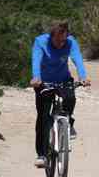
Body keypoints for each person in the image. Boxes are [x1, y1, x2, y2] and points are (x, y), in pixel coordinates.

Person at [30, 21, 90, 168]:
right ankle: (42, 155)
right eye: (57, 40)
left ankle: (68, 122)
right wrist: (36, 77)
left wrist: (83, 76)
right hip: (44, 82)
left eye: (63, 40)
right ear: (51, 37)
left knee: (70, 98)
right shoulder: (40, 42)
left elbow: (77, 59)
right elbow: (36, 60)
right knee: (43, 118)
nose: (60, 44)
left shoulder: (71, 42)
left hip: (63, 79)